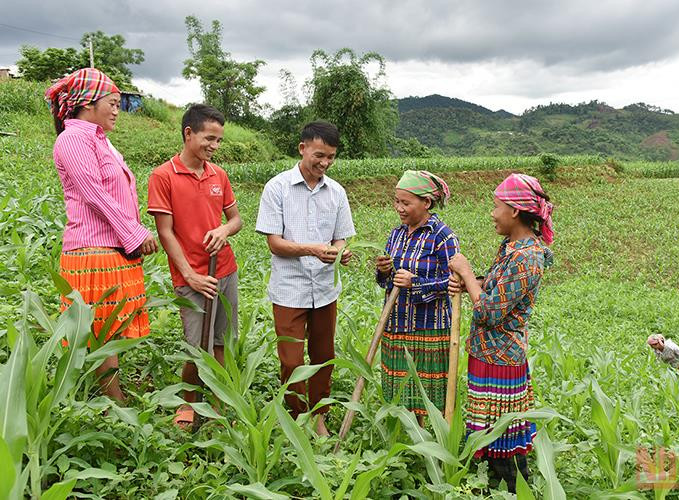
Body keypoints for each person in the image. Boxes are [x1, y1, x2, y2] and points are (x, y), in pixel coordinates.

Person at [46, 68, 159, 402]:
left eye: (118, 104)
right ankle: (111, 401)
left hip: (112, 249)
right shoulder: (72, 139)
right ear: (88, 103)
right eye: (111, 103)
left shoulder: (100, 141)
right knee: (103, 332)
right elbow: (94, 194)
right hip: (92, 250)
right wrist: (134, 233)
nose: (116, 110)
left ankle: (110, 395)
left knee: (111, 329)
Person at [448, 173, 554, 493]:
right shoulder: (511, 246)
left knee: (503, 433)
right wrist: (473, 283)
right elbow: (496, 289)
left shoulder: (526, 256)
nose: (492, 213)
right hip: (488, 352)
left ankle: (514, 490)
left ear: (515, 211)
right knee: (491, 430)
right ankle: (495, 487)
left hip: (501, 356)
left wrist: (466, 274)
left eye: (496, 207)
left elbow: (491, 313)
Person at [255, 121, 356, 436]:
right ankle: (299, 416)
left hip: (325, 289)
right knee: (292, 359)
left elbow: (341, 238)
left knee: (324, 356)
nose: (324, 163)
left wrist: (339, 253)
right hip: (289, 289)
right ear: (302, 149)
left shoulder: (336, 191)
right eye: (319, 155)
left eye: (331, 157)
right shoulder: (277, 188)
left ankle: (319, 415)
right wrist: (312, 249)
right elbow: (275, 243)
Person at [147, 104, 242, 427]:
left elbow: (236, 220)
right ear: (189, 133)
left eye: (218, 140)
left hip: (224, 269)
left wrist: (223, 230)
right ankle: (188, 402)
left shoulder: (219, 175)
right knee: (194, 345)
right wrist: (190, 275)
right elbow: (165, 231)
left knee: (220, 341)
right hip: (192, 277)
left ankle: (217, 401)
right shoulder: (163, 176)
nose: (214, 146)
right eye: (209, 138)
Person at [376, 170, 459, 425]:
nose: (399, 208)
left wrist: (417, 283)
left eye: (406, 203)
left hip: (429, 326)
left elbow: (455, 282)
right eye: (397, 201)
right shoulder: (396, 235)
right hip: (396, 322)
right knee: (400, 389)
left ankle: (430, 438)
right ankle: (405, 434)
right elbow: (386, 283)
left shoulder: (442, 237)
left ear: (426, 203)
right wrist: (384, 271)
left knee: (426, 389)